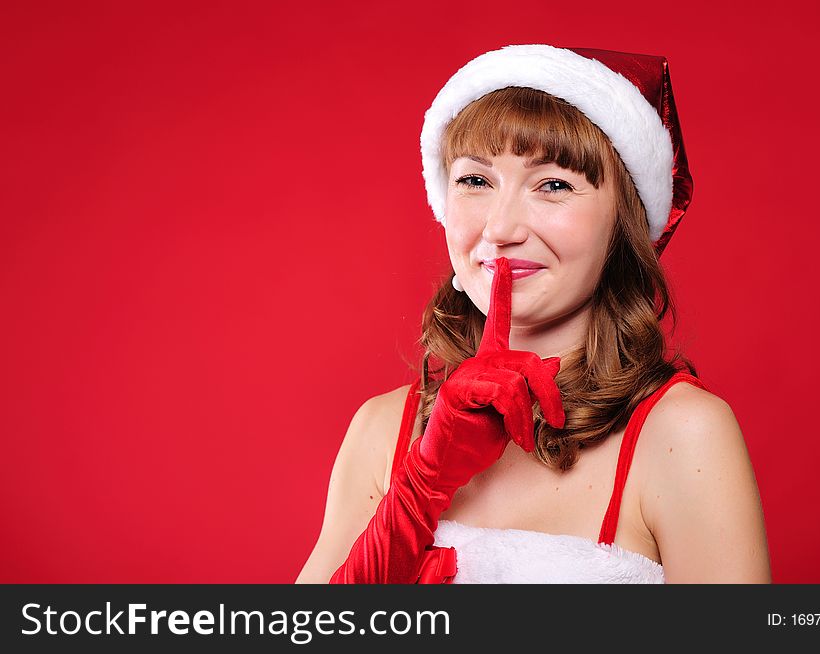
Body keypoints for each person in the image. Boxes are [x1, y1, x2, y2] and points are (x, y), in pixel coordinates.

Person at [295, 44, 772, 584]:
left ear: (624, 224)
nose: (500, 230)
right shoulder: (382, 429)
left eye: (554, 185)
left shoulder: (681, 433)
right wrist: (418, 492)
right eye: (475, 180)